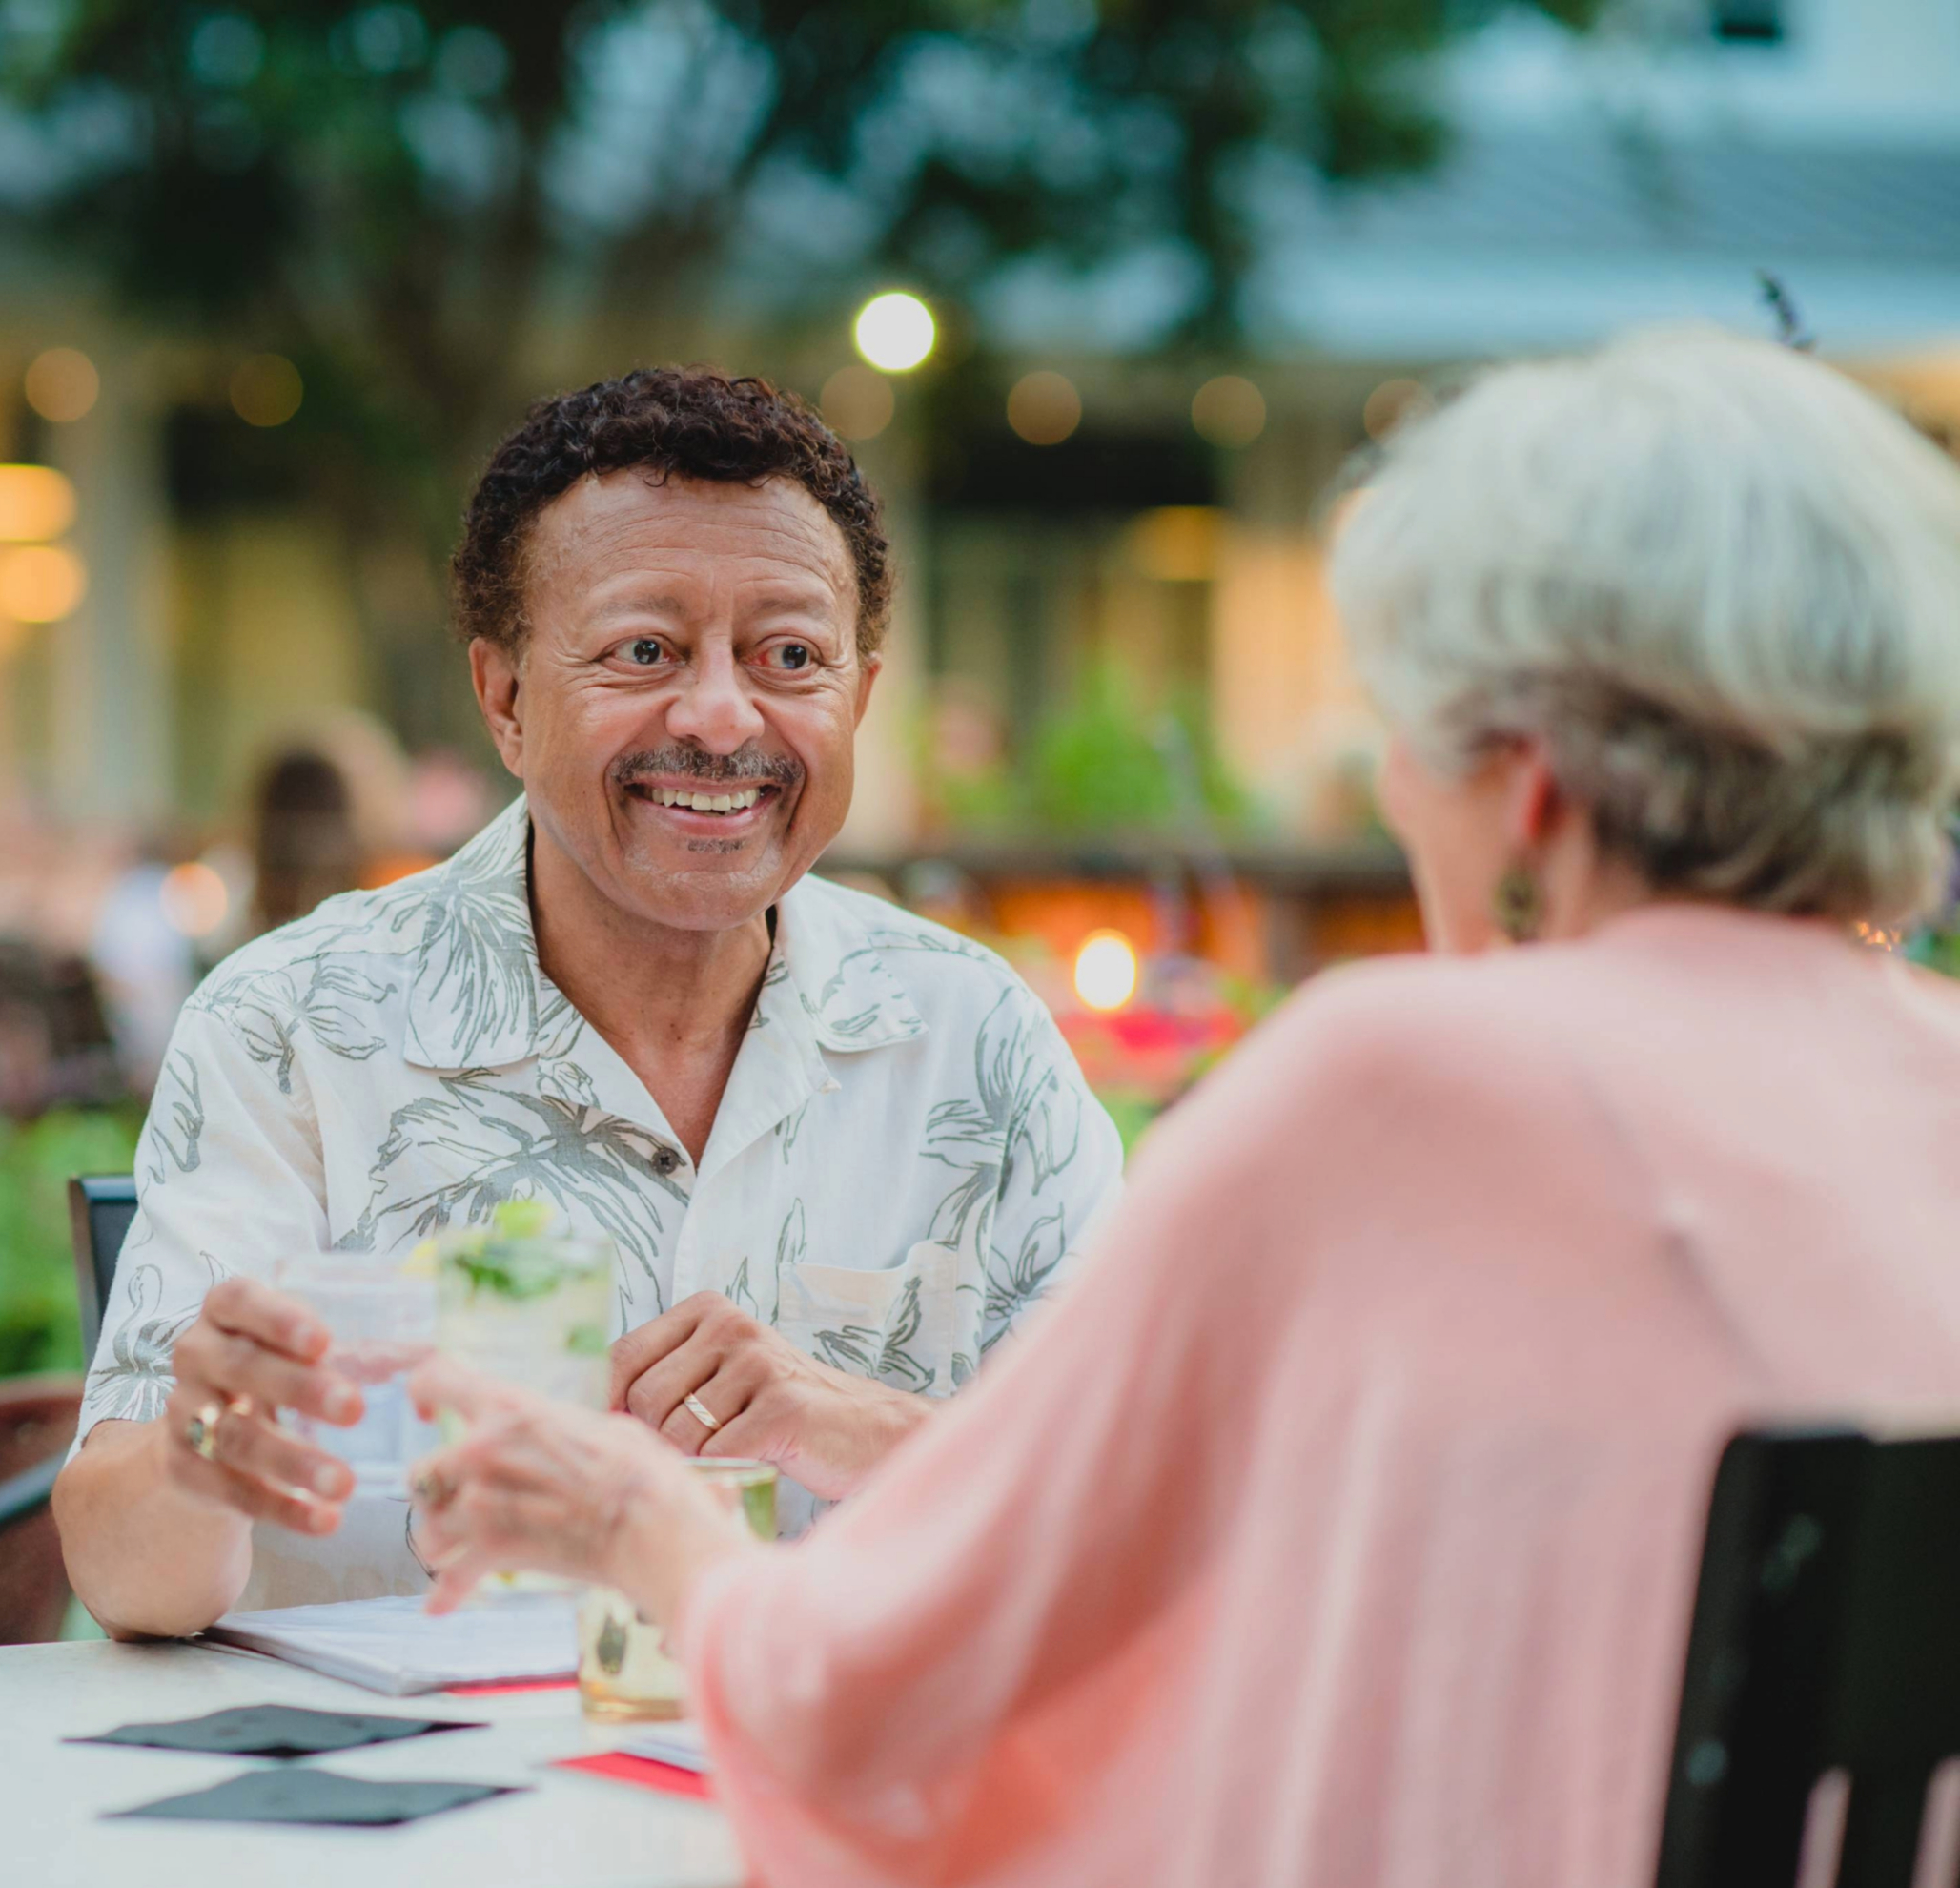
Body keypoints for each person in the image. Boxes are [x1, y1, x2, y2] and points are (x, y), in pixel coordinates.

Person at [405, 329, 1960, 1888]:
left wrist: (642, 1531)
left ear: (1531, 785)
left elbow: (886, 1688)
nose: (1399, 791)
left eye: (1409, 739)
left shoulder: (1407, 1081)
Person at [54, 367, 1123, 1636]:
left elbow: (1143, 1522)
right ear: (504, 700)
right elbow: (123, 1575)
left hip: (832, 1803)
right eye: (645, 652)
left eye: (789, 656)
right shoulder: (293, 1024)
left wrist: (852, 1425)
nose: (723, 717)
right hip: (400, 1816)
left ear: (863, 697)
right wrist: (200, 1454)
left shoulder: (975, 1039)